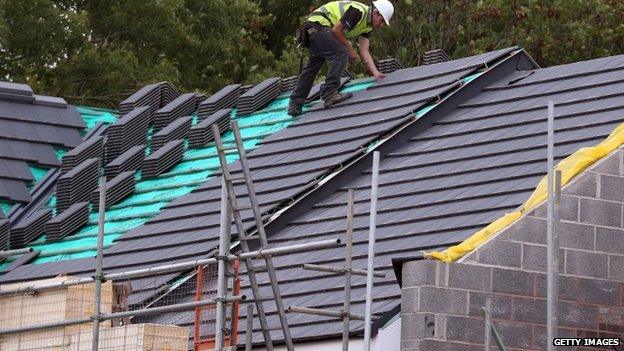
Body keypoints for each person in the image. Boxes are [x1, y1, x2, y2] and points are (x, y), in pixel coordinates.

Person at [288, 0, 394, 117]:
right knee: (341, 53)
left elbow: (364, 50)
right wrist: (351, 50)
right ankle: (329, 93)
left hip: (316, 27)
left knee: (313, 66)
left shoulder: (367, 27)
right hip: (319, 24)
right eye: (382, 20)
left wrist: (376, 73)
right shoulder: (358, 11)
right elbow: (336, 30)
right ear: (376, 12)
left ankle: (295, 105)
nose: (381, 24)